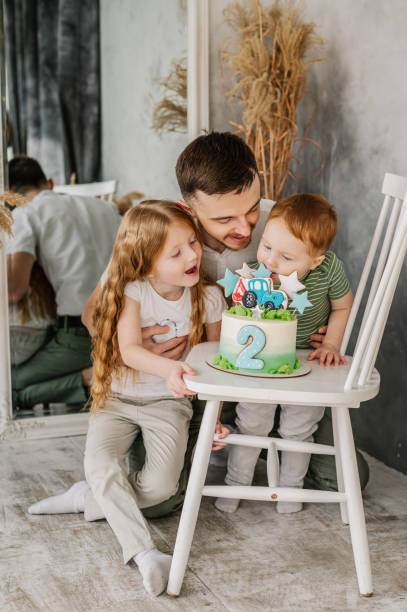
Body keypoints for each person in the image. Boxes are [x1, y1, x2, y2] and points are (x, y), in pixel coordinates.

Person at [81, 132, 369, 516]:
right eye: (224, 219)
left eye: (251, 208)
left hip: (266, 380)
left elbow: (325, 280)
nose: (246, 229)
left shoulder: (280, 224)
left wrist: (319, 330)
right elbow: (92, 314)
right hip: (192, 391)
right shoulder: (163, 232)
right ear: (188, 210)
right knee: (159, 500)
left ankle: (255, 449)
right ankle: (210, 455)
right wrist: (135, 346)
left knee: (350, 477)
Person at [28, 201, 227, 596]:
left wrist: (213, 417)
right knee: (100, 461)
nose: (192, 255)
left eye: (193, 243)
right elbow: (131, 349)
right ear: (146, 263)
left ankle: (88, 494)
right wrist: (168, 368)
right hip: (118, 399)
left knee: (161, 487)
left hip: (169, 405)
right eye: (177, 252)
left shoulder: (209, 298)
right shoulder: (133, 291)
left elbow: (214, 363)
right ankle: (145, 554)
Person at [215, 193, 354, 514]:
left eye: (286, 257)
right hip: (260, 361)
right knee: (251, 422)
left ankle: (291, 486)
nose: (270, 262)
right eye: (266, 247)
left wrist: (332, 343)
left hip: (307, 360)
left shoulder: (328, 270)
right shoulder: (254, 275)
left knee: (299, 427)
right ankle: (236, 483)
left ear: (315, 261)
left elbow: (343, 305)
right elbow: (240, 319)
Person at [6, 156, 121, 409]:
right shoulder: (107, 208)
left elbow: (14, 289)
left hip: (82, 334)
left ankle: (87, 378)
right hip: (124, 324)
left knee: (7, 383)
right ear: (49, 182)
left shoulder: (26, 214)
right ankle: (88, 378)